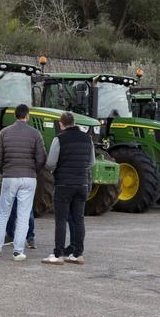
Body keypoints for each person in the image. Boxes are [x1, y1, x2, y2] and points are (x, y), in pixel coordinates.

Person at [0, 104, 46, 261]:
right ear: (27, 116)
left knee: (2, 214)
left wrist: (4, 170)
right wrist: (33, 170)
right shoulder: (35, 134)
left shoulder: (4, 132)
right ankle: (18, 251)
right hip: (28, 177)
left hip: (9, 176)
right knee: (23, 215)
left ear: (15, 116)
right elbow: (42, 158)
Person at [42, 112, 94, 265]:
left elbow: (50, 163)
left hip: (64, 184)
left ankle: (58, 255)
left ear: (61, 124)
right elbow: (91, 162)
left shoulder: (59, 139)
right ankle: (77, 254)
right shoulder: (88, 139)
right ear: (74, 122)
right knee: (79, 219)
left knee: (61, 220)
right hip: (82, 184)